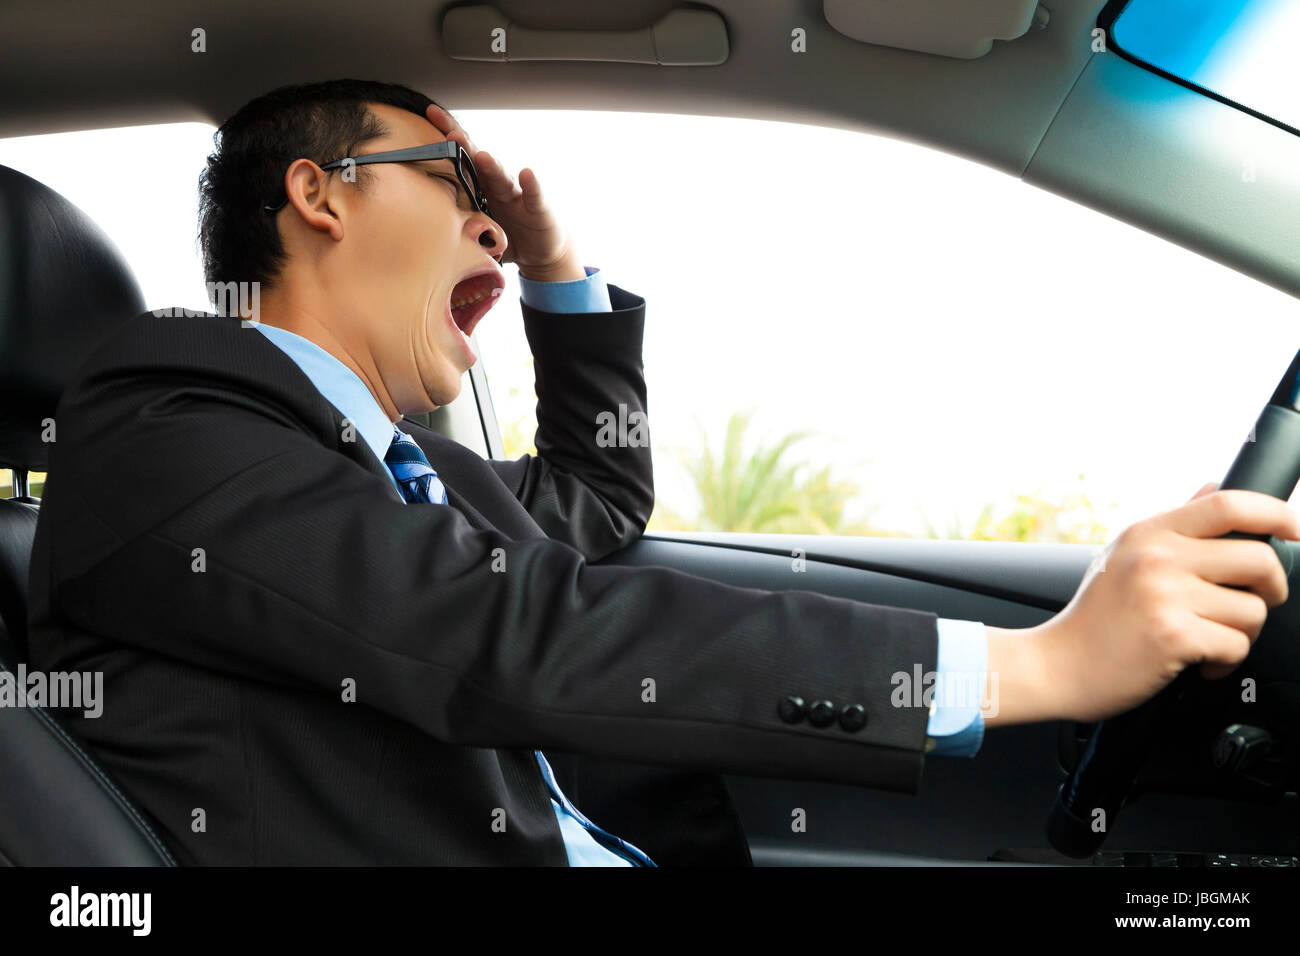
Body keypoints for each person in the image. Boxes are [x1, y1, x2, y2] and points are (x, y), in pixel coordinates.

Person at [26, 79, 1299, 866]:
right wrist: (1036, 664)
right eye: (452, 180)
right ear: (319, 194)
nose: (485, 215)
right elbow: (496, 625)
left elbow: (599, 499)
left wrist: (556, 274)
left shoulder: (428, 482)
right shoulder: (162, 422)